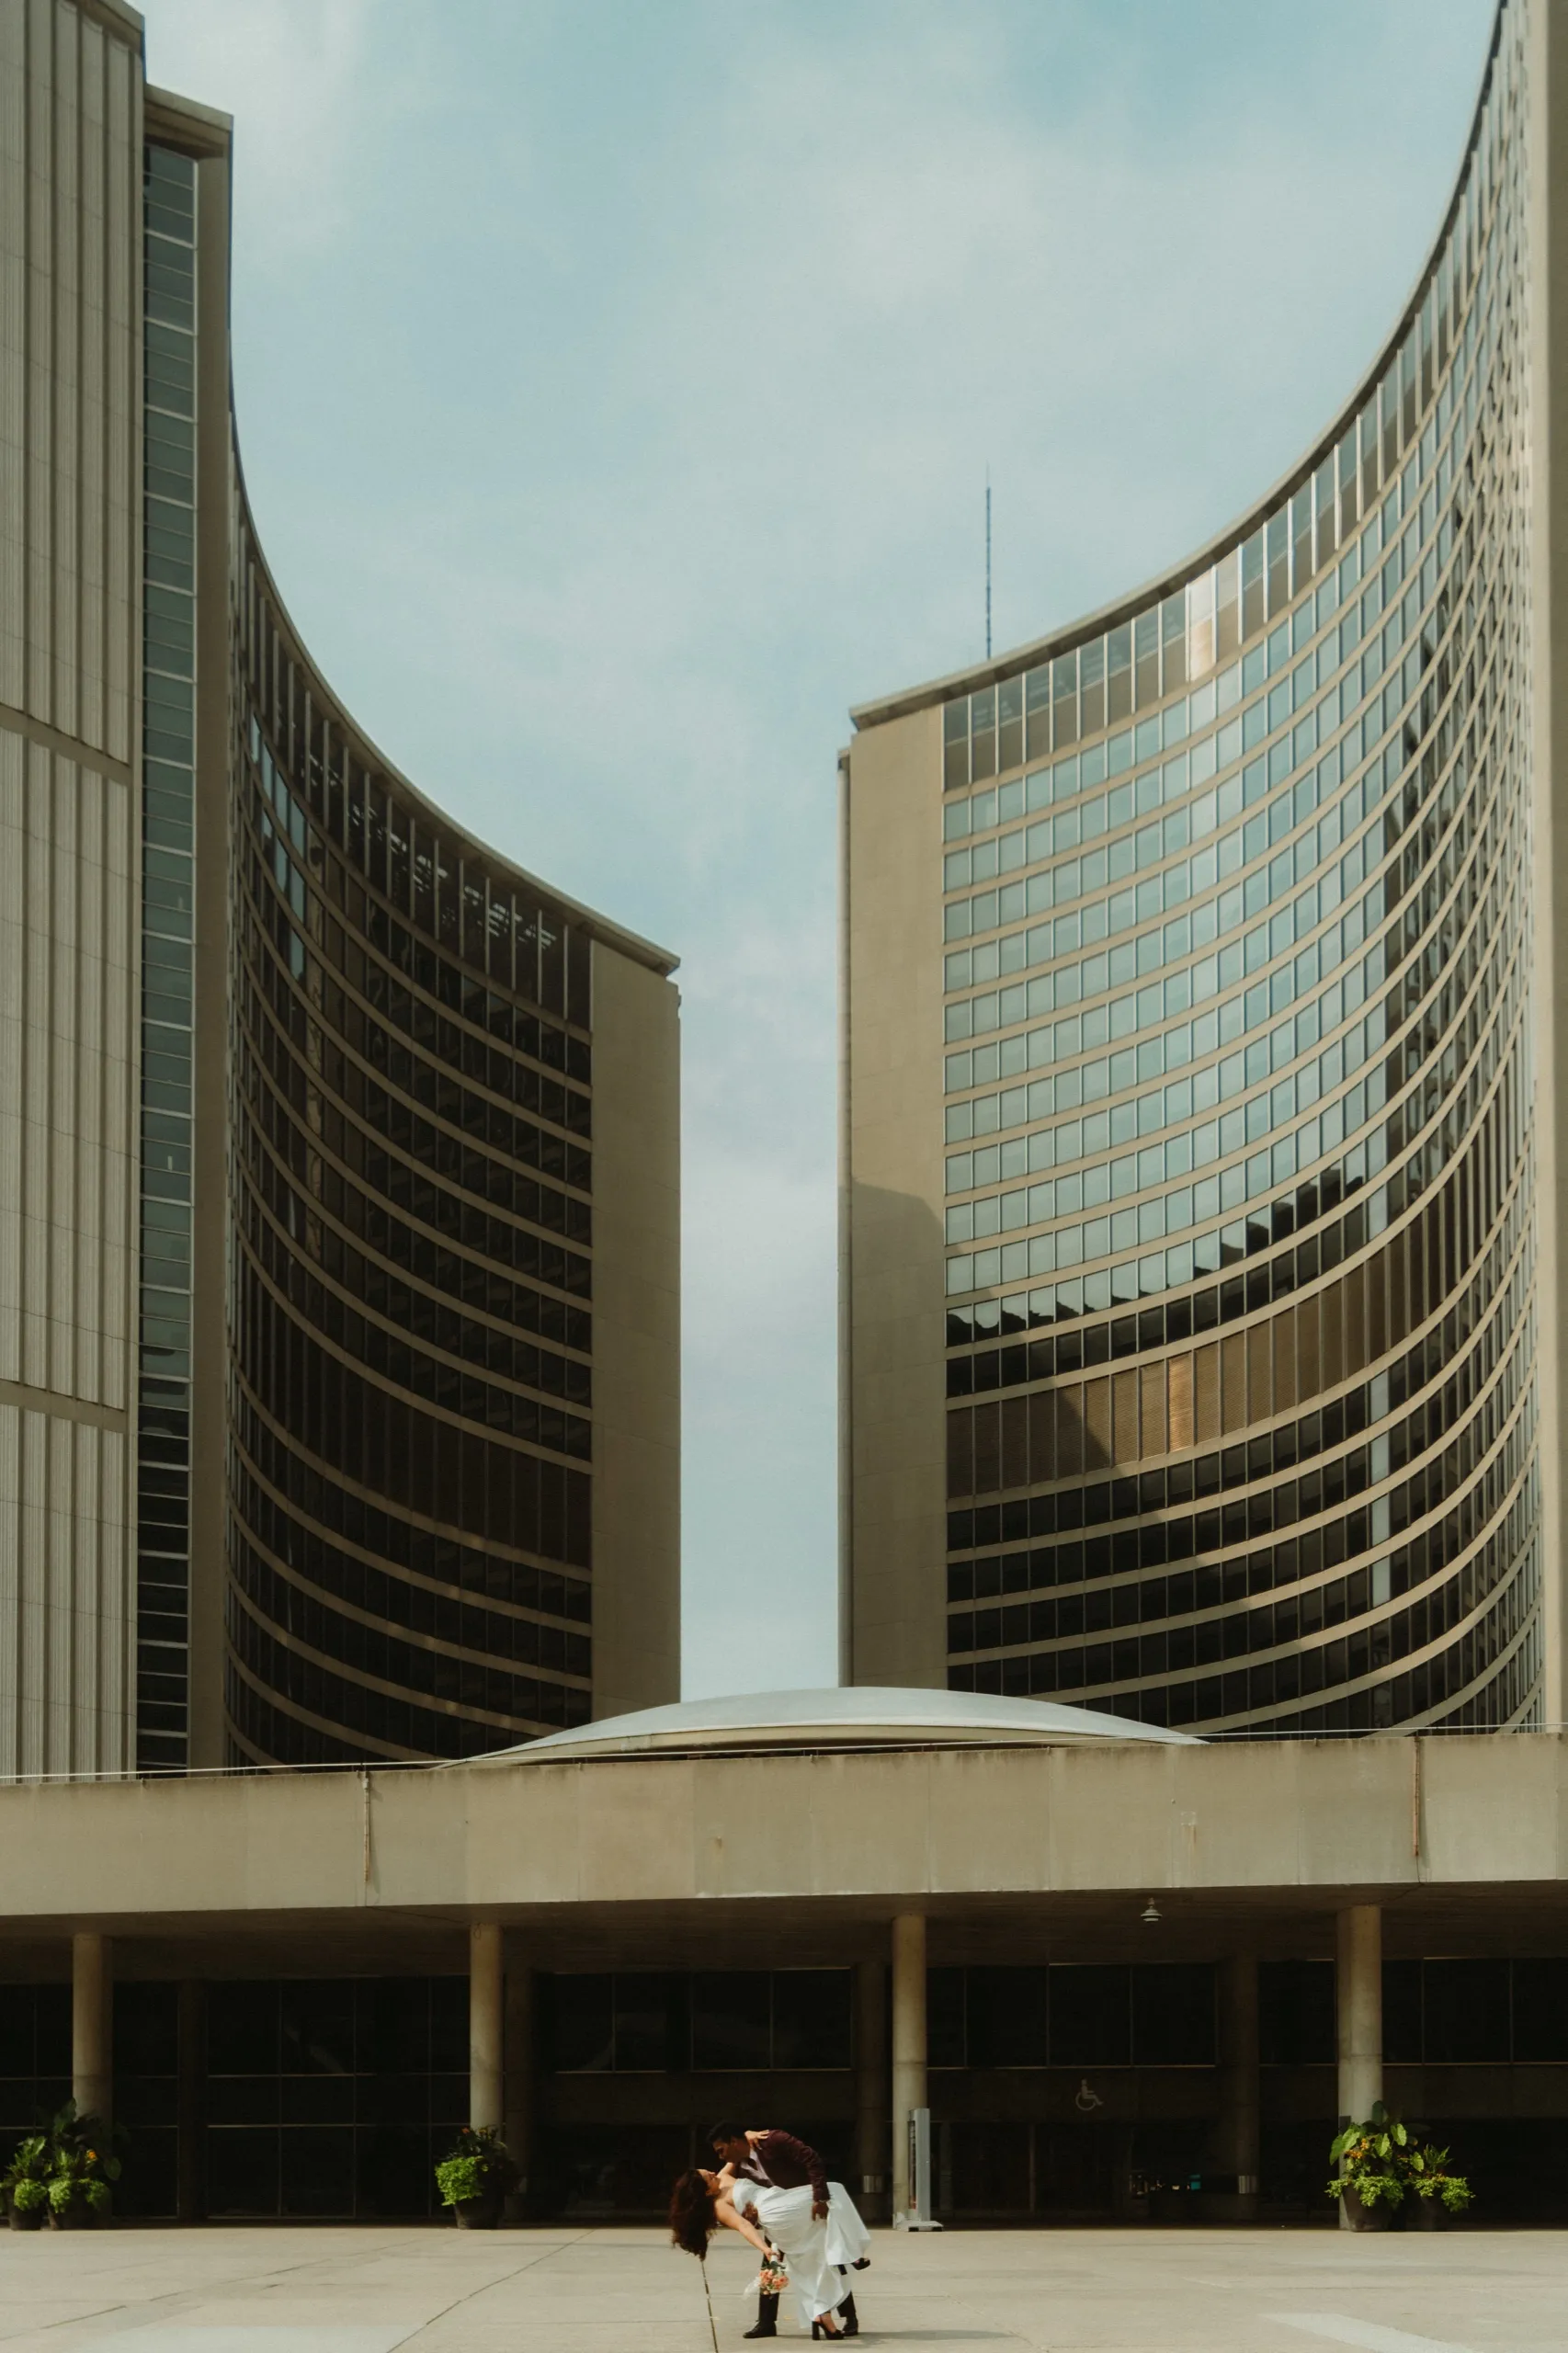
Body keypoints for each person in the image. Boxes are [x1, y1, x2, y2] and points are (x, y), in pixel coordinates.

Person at [710, 2121, 865, 2339]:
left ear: (734, 2142)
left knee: (829, 2262)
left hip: (807, 2208)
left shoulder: (773, 2140)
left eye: (721, 2150)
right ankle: (766, 2323)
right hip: (782, 2217)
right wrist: (753, 2219)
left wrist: (819, 2196)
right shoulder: (740, 2163)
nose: (720, 2157)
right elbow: (749, 2203)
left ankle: (849, 2317)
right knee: (771, 2267)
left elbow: (812, 2159)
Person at [667, 2166, 841, 2339]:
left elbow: (734, 2154)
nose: (713, 2173)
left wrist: (750, 2137)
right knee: (815, 2256)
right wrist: (764, 2249)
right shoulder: (720, 2205)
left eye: (709, 2171)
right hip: (777, 2216)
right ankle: (814, 2315)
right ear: (706, 2192)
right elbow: (744, 2226)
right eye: (709, 2177)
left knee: (819, 2257)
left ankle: (825, 2314)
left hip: (781, 2201)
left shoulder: (723, 2177)